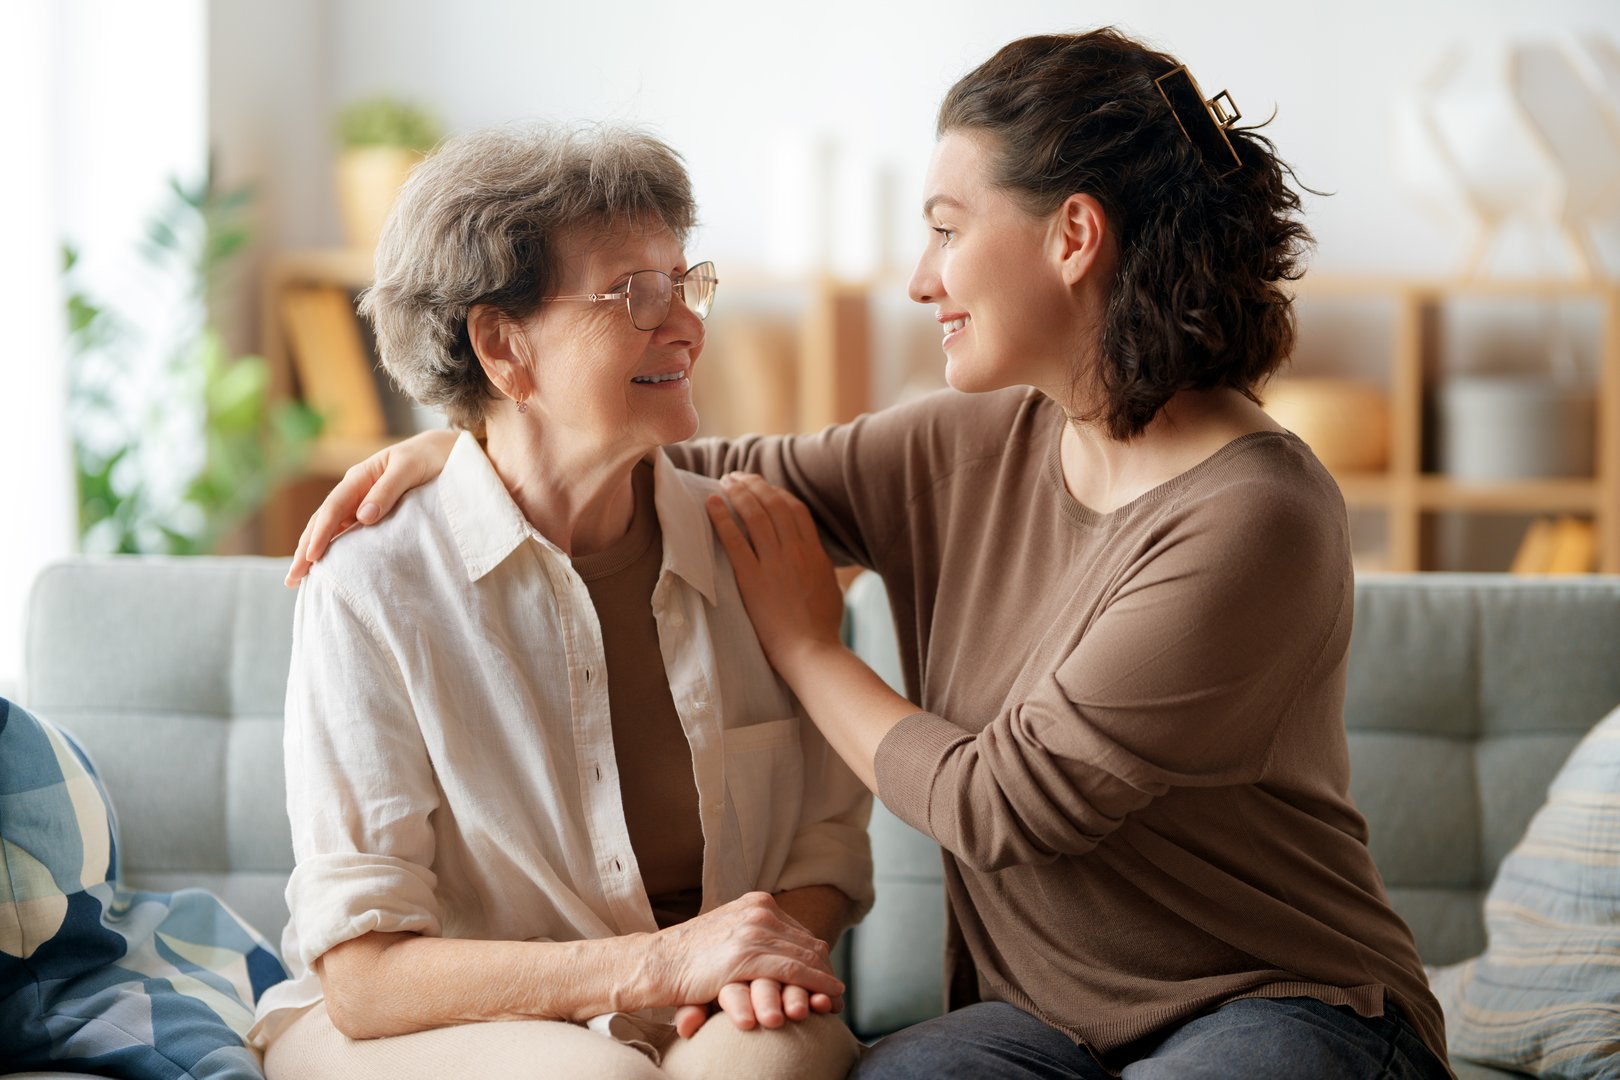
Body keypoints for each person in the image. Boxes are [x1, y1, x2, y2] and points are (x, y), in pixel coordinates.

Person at [285, 30, 1453, 1080]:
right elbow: (678, 463)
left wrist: (800, 640)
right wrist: (459, 446)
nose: (920, 278)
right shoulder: (970, 442)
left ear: (1074, 237)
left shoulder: (1255, 515)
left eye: (947, 230)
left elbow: (1004, 804)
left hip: (1281, 1005)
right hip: (1040, 1023)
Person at [250, 125, 873, 1080]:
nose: (689, 325)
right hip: (443, 1023)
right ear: (502, 347)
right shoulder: (371, 582)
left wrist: (757, 958)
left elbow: (826, 851)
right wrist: (659, 962)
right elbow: (366, 981)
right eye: (637, 294)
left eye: (685, 282)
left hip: (710, 1003)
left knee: (765, 1068)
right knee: (601, 1078)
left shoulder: (754, 542)